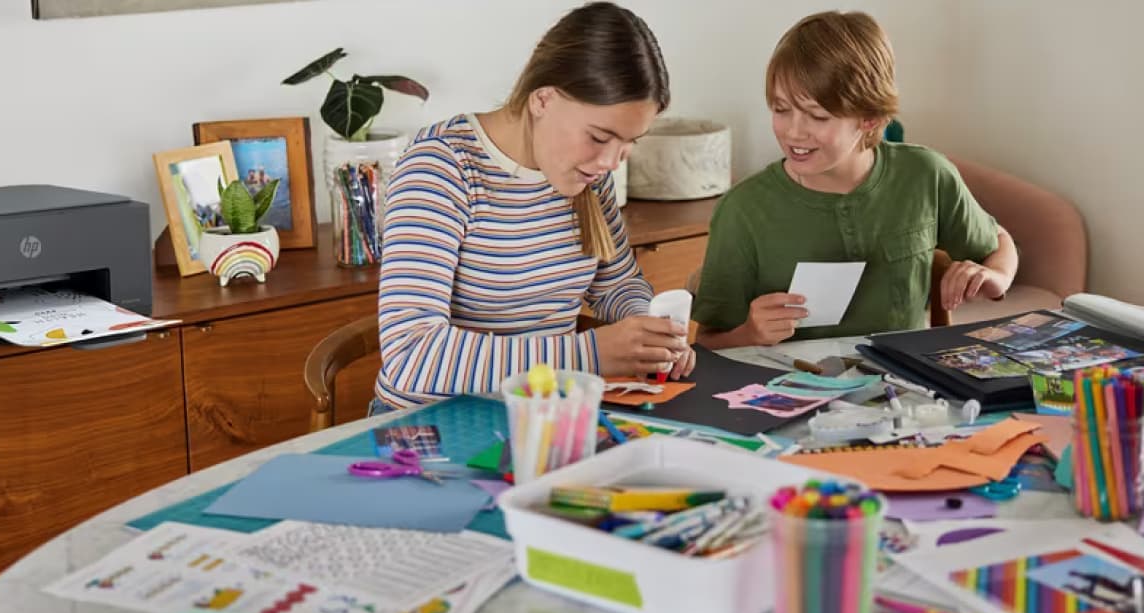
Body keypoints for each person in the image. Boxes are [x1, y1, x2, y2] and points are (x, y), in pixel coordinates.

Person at [371, 1, 689, 413]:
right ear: (543, 99)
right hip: (432, 424)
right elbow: (411, 357)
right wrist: (588, 354)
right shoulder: (442, 168)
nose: (612, 162)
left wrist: (651, 336)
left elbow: (616, 283)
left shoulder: (588, 175)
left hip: (541, 414)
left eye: (629, 143)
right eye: (599, 137)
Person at [693, 11, 1019, 349]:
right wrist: (750, 334)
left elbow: (998, 241)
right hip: (783, 380)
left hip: (901, 378)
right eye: (780, 109)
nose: (793, 132)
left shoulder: (925, 174)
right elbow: (706, 343)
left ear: (870, 118)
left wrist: (996, 277)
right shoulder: (743, 210)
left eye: (818, 116)